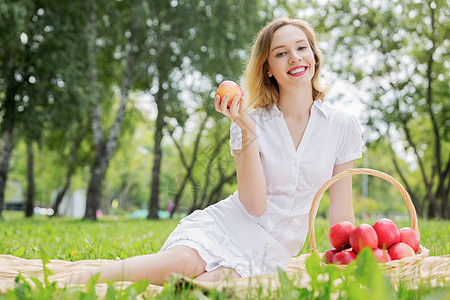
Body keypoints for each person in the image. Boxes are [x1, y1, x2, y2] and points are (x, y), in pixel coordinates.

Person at [68, 16, 362, 285]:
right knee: (181, 263)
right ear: (268, 69)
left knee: (219, 282)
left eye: (302, 47)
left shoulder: (342, 126)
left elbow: (341, 215)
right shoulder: (247, 120)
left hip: (272, 252)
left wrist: (352, 254)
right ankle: (77, 280)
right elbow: (254, 206)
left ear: (314, 56)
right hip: (228, 225)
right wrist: (248, 131)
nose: (295, 57)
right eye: (281, 53)